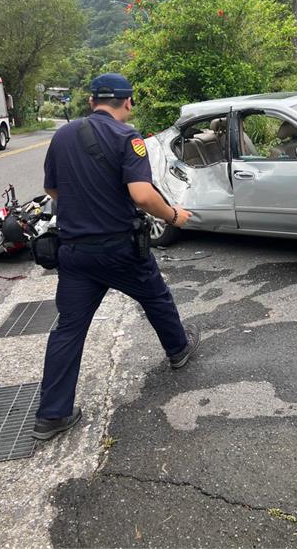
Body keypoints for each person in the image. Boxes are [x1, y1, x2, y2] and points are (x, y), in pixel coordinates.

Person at [32, 73, 198, 440]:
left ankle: (52, 416)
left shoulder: (61, 136)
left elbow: (51, 188)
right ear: (128, 102)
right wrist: (173, 216)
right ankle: (178, 349)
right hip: (120, 248)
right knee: (155, 298)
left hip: (75, 252)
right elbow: (141, 194)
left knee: (68, 329)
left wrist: (84, 206)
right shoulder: (129, 138)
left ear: (92, 102)